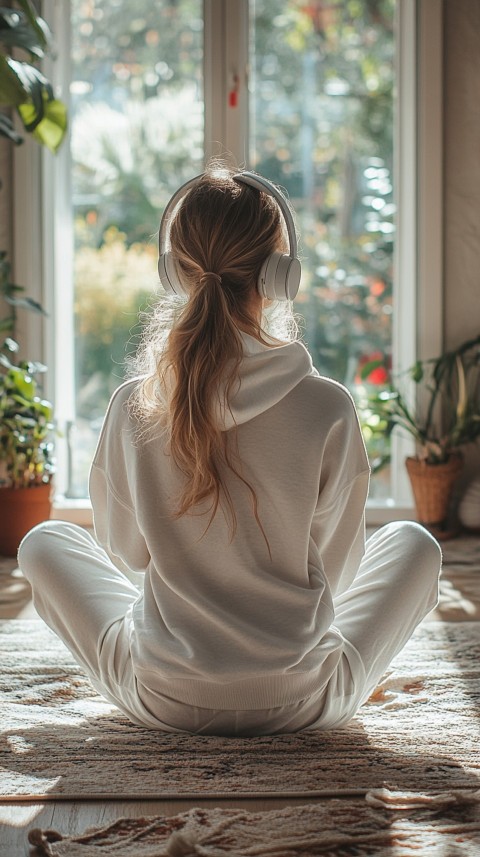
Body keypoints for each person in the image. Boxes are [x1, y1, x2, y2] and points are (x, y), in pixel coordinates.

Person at [18, 165, 442, 736]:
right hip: (304, 701)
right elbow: (337, 573)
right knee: (415, 543)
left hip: (162, 697)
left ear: (173, 273)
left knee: (44, 541)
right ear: (279, 276)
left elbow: (127, 552)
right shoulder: (327, 406)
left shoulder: (133, 404)